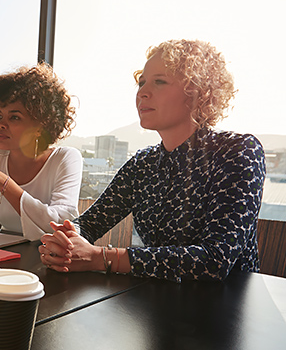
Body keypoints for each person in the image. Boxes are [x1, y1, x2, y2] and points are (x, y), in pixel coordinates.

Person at [40, 39, 265, 282]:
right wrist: (66, 239)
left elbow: (214, 260)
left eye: (160, 81)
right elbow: (90, 223)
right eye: (142, 82)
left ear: (198, 91)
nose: (142, 92)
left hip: (231, 309)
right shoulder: (142, 163)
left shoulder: (238, 151)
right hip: (154, 303)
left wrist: (101, 257)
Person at [0, 64, 82, 241]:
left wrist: (2, 182)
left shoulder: (66, 158)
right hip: (4, 256)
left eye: (14, 117)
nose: (1, 125)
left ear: (40, 126)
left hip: (51, 260)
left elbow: (60, 224)